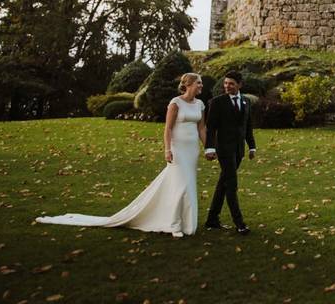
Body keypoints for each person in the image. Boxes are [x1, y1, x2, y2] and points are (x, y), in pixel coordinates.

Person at [36, 73, 206, 237]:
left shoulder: (200, 104)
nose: (201, 85)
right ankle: (174, 224)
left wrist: (208, 147)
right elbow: (167, 128)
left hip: (192, 150)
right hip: (177, 149)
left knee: (187, 185)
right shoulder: (175, 103)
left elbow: (201, 128)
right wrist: (167, 149)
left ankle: (186, 223)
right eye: (198, 82)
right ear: (188, 84)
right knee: (181, 186)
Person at [203, 70, 256, 235]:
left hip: (239, 149)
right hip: (224, 149)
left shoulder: (246, 101)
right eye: (225, 83)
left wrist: (252, 146)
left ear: (239, 85)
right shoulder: (217, 102)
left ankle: (212, 219)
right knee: (231, 185)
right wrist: (210, 148)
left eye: (231, 83)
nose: (227, 86)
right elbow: (210, 127)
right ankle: (239, 223)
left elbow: (247, 126)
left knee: (223, 184)